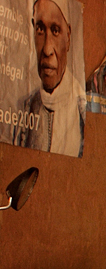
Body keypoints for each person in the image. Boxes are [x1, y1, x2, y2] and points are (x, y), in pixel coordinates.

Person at [14, 0, 85, 157]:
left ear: (68, 37)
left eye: (55, 31)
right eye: (40, 29)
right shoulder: (25, 107)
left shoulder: (82, 111)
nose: (47, 50)